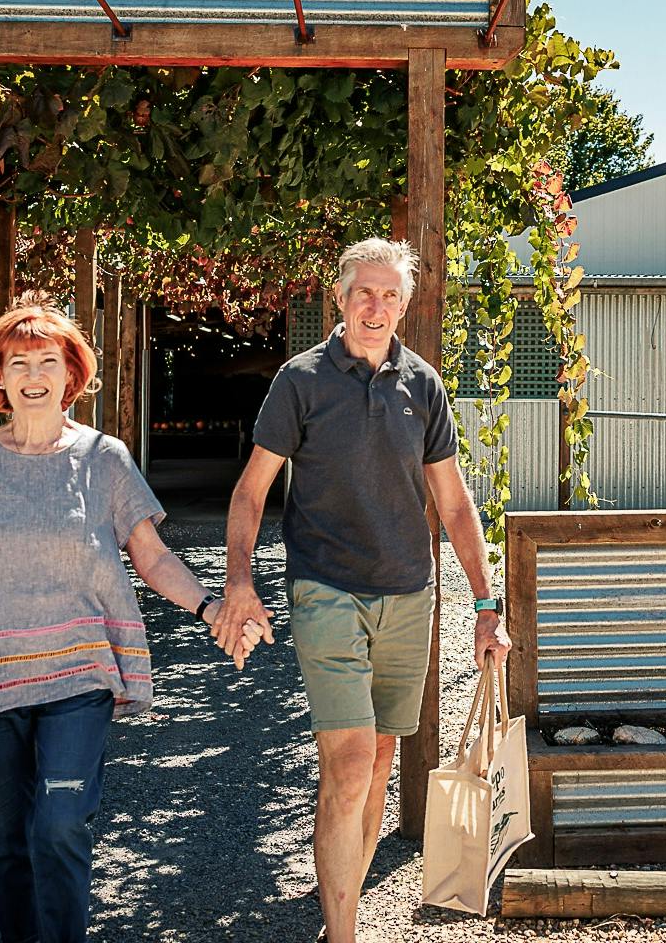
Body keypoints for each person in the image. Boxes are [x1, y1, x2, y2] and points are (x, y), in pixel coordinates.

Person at [0, 295, 264, 943]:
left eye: (48, 359)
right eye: (18, 362)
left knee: (60, 822)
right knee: (3, 841)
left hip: (80, 673)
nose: (33, 373)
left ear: (70, 375)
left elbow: (152, 558)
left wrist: (212, 606)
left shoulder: (104, 459)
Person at [212, 238, 511, 943]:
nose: (376, 307)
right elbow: (252, 492)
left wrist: (486, 604)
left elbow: (456, 503)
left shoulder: (422, 385)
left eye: (390, 296)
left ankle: (338, 919)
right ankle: (343, 934)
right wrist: (238, 581)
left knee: (378, 761)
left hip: (410, 593)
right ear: (341, 298)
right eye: (363, 293)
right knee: (346, 765)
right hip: (327, 590)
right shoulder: (301, 380)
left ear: (405, 306)